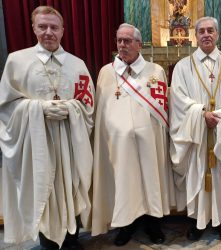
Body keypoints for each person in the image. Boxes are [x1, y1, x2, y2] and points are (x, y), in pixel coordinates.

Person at [0, 5, 94, 250]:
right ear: (34, 28)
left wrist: (73, 109)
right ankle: (49, 243)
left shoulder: (77, 64)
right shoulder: (17, 61)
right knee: (44, 188)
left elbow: (89, 105)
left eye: (54, 27)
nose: (48, 32)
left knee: (71, 189)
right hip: (35, 143)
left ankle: (72, 240)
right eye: (43, 26)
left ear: (63, 30)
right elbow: (6, 106)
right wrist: (37, 109)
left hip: (70, 141)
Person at [91, 23, 175, 246]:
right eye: (119, 40)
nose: (122, 45)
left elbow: (162, 110)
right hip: (118, 144)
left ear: (139, 44)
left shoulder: (155, 71)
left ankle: (153, 224)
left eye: (127, 41)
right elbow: (101, 111)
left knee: (150, 179)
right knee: (124, 182)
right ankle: (125, 225)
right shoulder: (106, 73)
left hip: (150, 142)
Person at [169, 16, 221, 243]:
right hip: (196, 135)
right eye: (202, 31)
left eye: (210, 30)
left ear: (217, 34)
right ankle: (199, 221)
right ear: (195, 36)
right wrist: (200, 114)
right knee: (198, 176)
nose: (206, 34)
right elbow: (177, 99)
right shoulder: (183, 66)